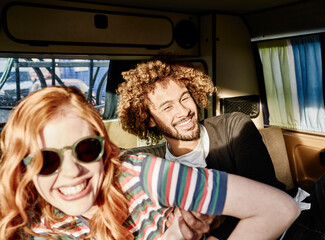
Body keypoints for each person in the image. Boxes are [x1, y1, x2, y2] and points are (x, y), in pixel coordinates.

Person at [0, 86, 300, 240]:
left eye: (86, 149)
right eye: (46, 159)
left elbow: (275, 204)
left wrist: (205, 217)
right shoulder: (25, 223)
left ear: (104, 146)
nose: (71, 172)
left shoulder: (142, 173)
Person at [117, 59, 325, 240]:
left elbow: (267, 192)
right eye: (167, 107)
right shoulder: (153, 167)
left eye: (184, 98)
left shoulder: (232, 125)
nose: (184, 112)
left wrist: (215, 219)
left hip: (304, 203)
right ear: (148, 119)